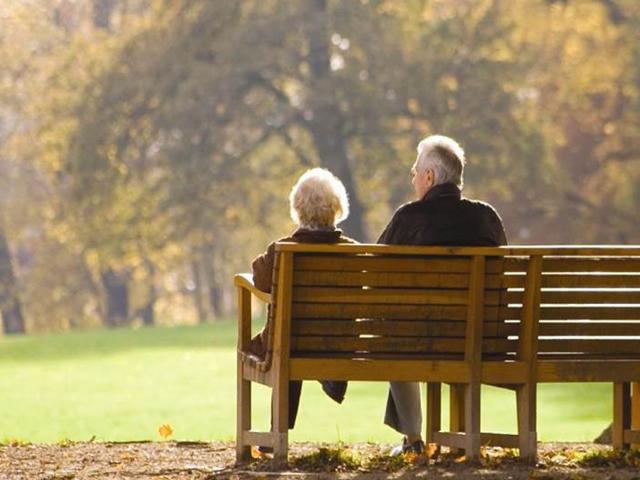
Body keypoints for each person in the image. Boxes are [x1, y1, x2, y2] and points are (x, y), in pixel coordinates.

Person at [377, 135, 507, 455]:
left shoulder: (408, 218)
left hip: (418, 340)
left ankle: (413, 439)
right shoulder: (486, 216)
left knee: (394, 330)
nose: (413, 178)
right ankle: (449, 437)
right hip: (482, 338)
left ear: (430, 177)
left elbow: (374, 270)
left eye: (415, 171)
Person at [247, 167, 357, 435]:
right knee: (296, 333)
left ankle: (278, 432)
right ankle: (330, 376)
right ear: (337, 207)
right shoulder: (354, 252)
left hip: (288, 343)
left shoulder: (282, 251)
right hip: (336, 345)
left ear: (297, 208)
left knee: (287, 335)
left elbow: (259, 279)